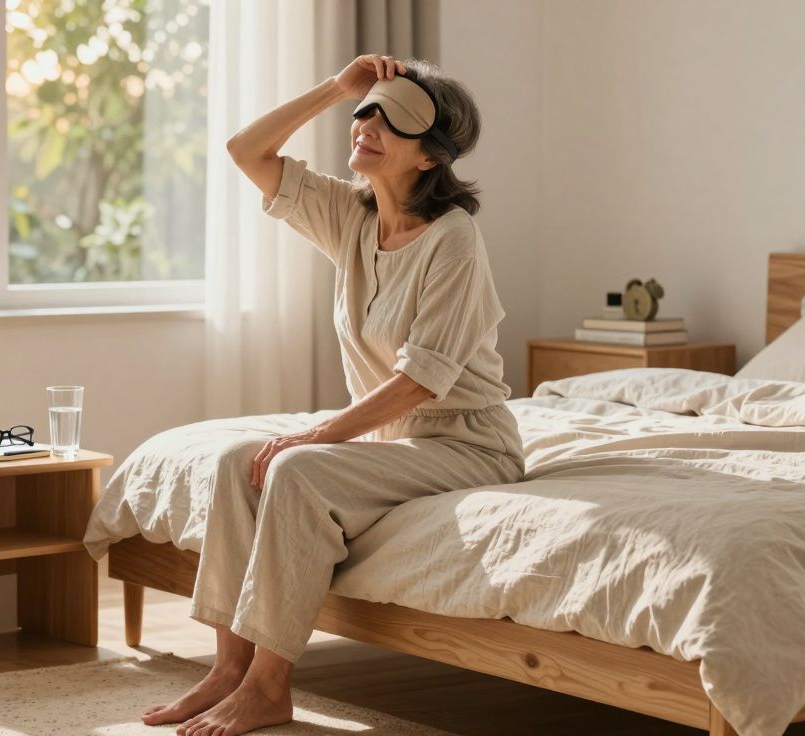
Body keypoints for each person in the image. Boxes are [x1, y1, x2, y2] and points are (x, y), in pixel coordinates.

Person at [144, 54, 525, 736]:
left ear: (431, 157)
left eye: (392, 121)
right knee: (235, 462)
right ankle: (229, 669)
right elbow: (246, 151)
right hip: (393, 443)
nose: (367, 125)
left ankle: (269, 686)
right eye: (365, 111)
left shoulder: (454, 239)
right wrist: (334, 89)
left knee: (293, 468)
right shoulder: (350, 216)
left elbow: (421, 380)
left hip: (467, 444)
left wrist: (317, 435)